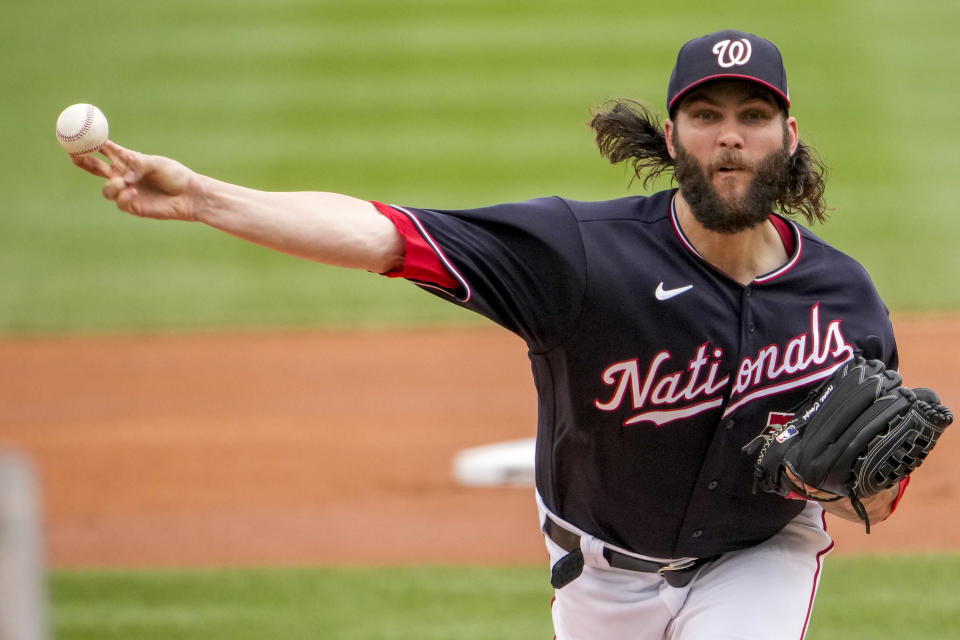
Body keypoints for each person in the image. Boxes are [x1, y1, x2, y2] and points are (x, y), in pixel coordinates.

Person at [73, 29, 910, 640]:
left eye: (755, 114)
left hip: (756, 555)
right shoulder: (583, 256)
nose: (731, 136)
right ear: (671, 136)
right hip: (602, 571)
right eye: (708, 115)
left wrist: (846, 488)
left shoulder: (841, 298)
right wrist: (204, 198)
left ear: (788, 137)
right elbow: (386, 235)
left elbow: (870, 495)